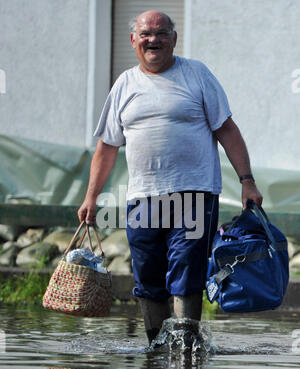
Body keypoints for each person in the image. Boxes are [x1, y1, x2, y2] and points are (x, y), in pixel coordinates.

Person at [78, 10, 263, 344]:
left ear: (174, 39)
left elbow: (227, 130)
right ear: (133, 40)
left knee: (186, 270)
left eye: (162, 33)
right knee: (147, 275)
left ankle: (185, 349)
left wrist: (246, 180)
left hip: (194, 194)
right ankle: (155, 346)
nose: (154, 40)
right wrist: (92, 197)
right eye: (146, 34)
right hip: (143, 197)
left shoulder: (196, 74)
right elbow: (106, 147)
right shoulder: (124, 84)